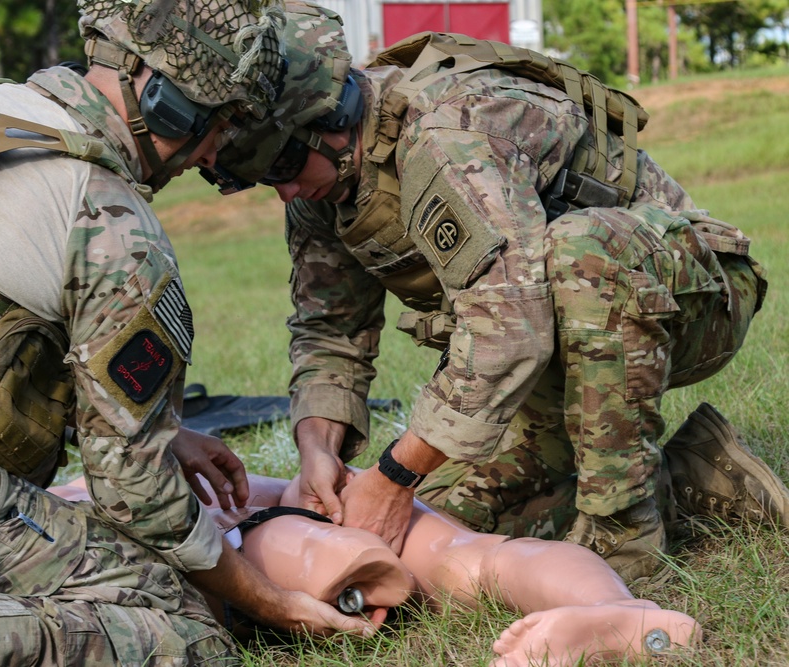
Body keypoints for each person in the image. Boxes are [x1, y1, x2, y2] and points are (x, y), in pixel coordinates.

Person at [0, 1, 378, 665]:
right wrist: (272, 600)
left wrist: (169, 432)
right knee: (190, 627)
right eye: (221, 124)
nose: (215, 154)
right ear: (167, 106)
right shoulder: (108, 216)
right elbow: (138, 496)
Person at [202, 1, 788, 582]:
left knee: (580, 253)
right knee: (443, 523)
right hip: (561, 354)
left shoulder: (446, 133)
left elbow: (513, 328)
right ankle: (695, 475)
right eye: (257, 177)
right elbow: (330, 331)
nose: (284, 194)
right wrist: (318, 449)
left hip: (690, 296)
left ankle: (625, 535)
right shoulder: (320, 187)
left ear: (332, 120)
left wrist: (394, 475)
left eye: (282, 165)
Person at [49, 472, 704, 667]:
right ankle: (620, 613)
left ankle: (616, 621)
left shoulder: (35, 503)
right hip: (288, 515)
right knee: (478, 558)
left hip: (245, 548)